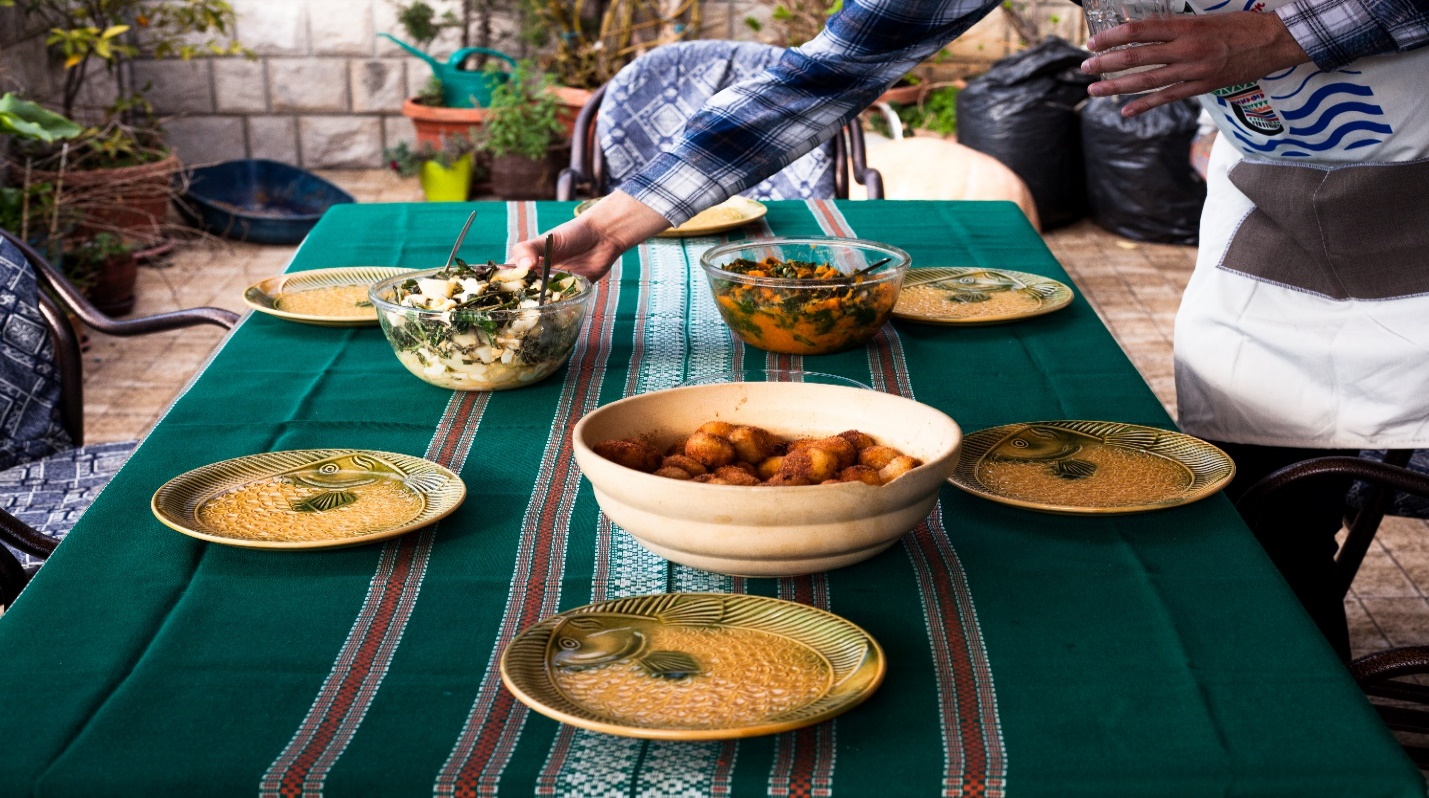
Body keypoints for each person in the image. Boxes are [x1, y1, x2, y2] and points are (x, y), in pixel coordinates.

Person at [514, 0, 1429, 660]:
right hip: (1275, 220)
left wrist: (1276, 32)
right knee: (1267, 527)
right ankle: (1311, 712)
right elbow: (826, 76)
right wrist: (622, 215)